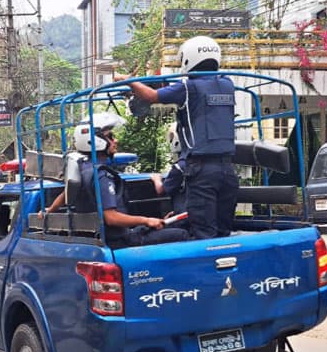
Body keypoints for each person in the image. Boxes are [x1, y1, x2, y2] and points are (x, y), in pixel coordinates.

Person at [125, 36, 239, 240]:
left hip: (201, 169)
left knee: (204, 234)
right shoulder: (228, 84)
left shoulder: (188, 87)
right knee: (223, 232)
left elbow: (151, 96)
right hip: (228, 170)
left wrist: (129, 81)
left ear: (188, 59)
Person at [39, 112, 188, 248]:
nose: (115, 140)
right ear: (95, 141)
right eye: (110, 136)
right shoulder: (101, 175)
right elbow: (111, 218)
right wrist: (146, 220)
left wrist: (50, 210)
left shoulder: (82, 168)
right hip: (119, 241)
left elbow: (67, 193)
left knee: (168, 227)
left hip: (110, 237)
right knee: (183, 235)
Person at [151, 122, 188, 217]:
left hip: (184, 217)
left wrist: (156, 179)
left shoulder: (180, 166)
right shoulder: (202, 162)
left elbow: (161, 190)